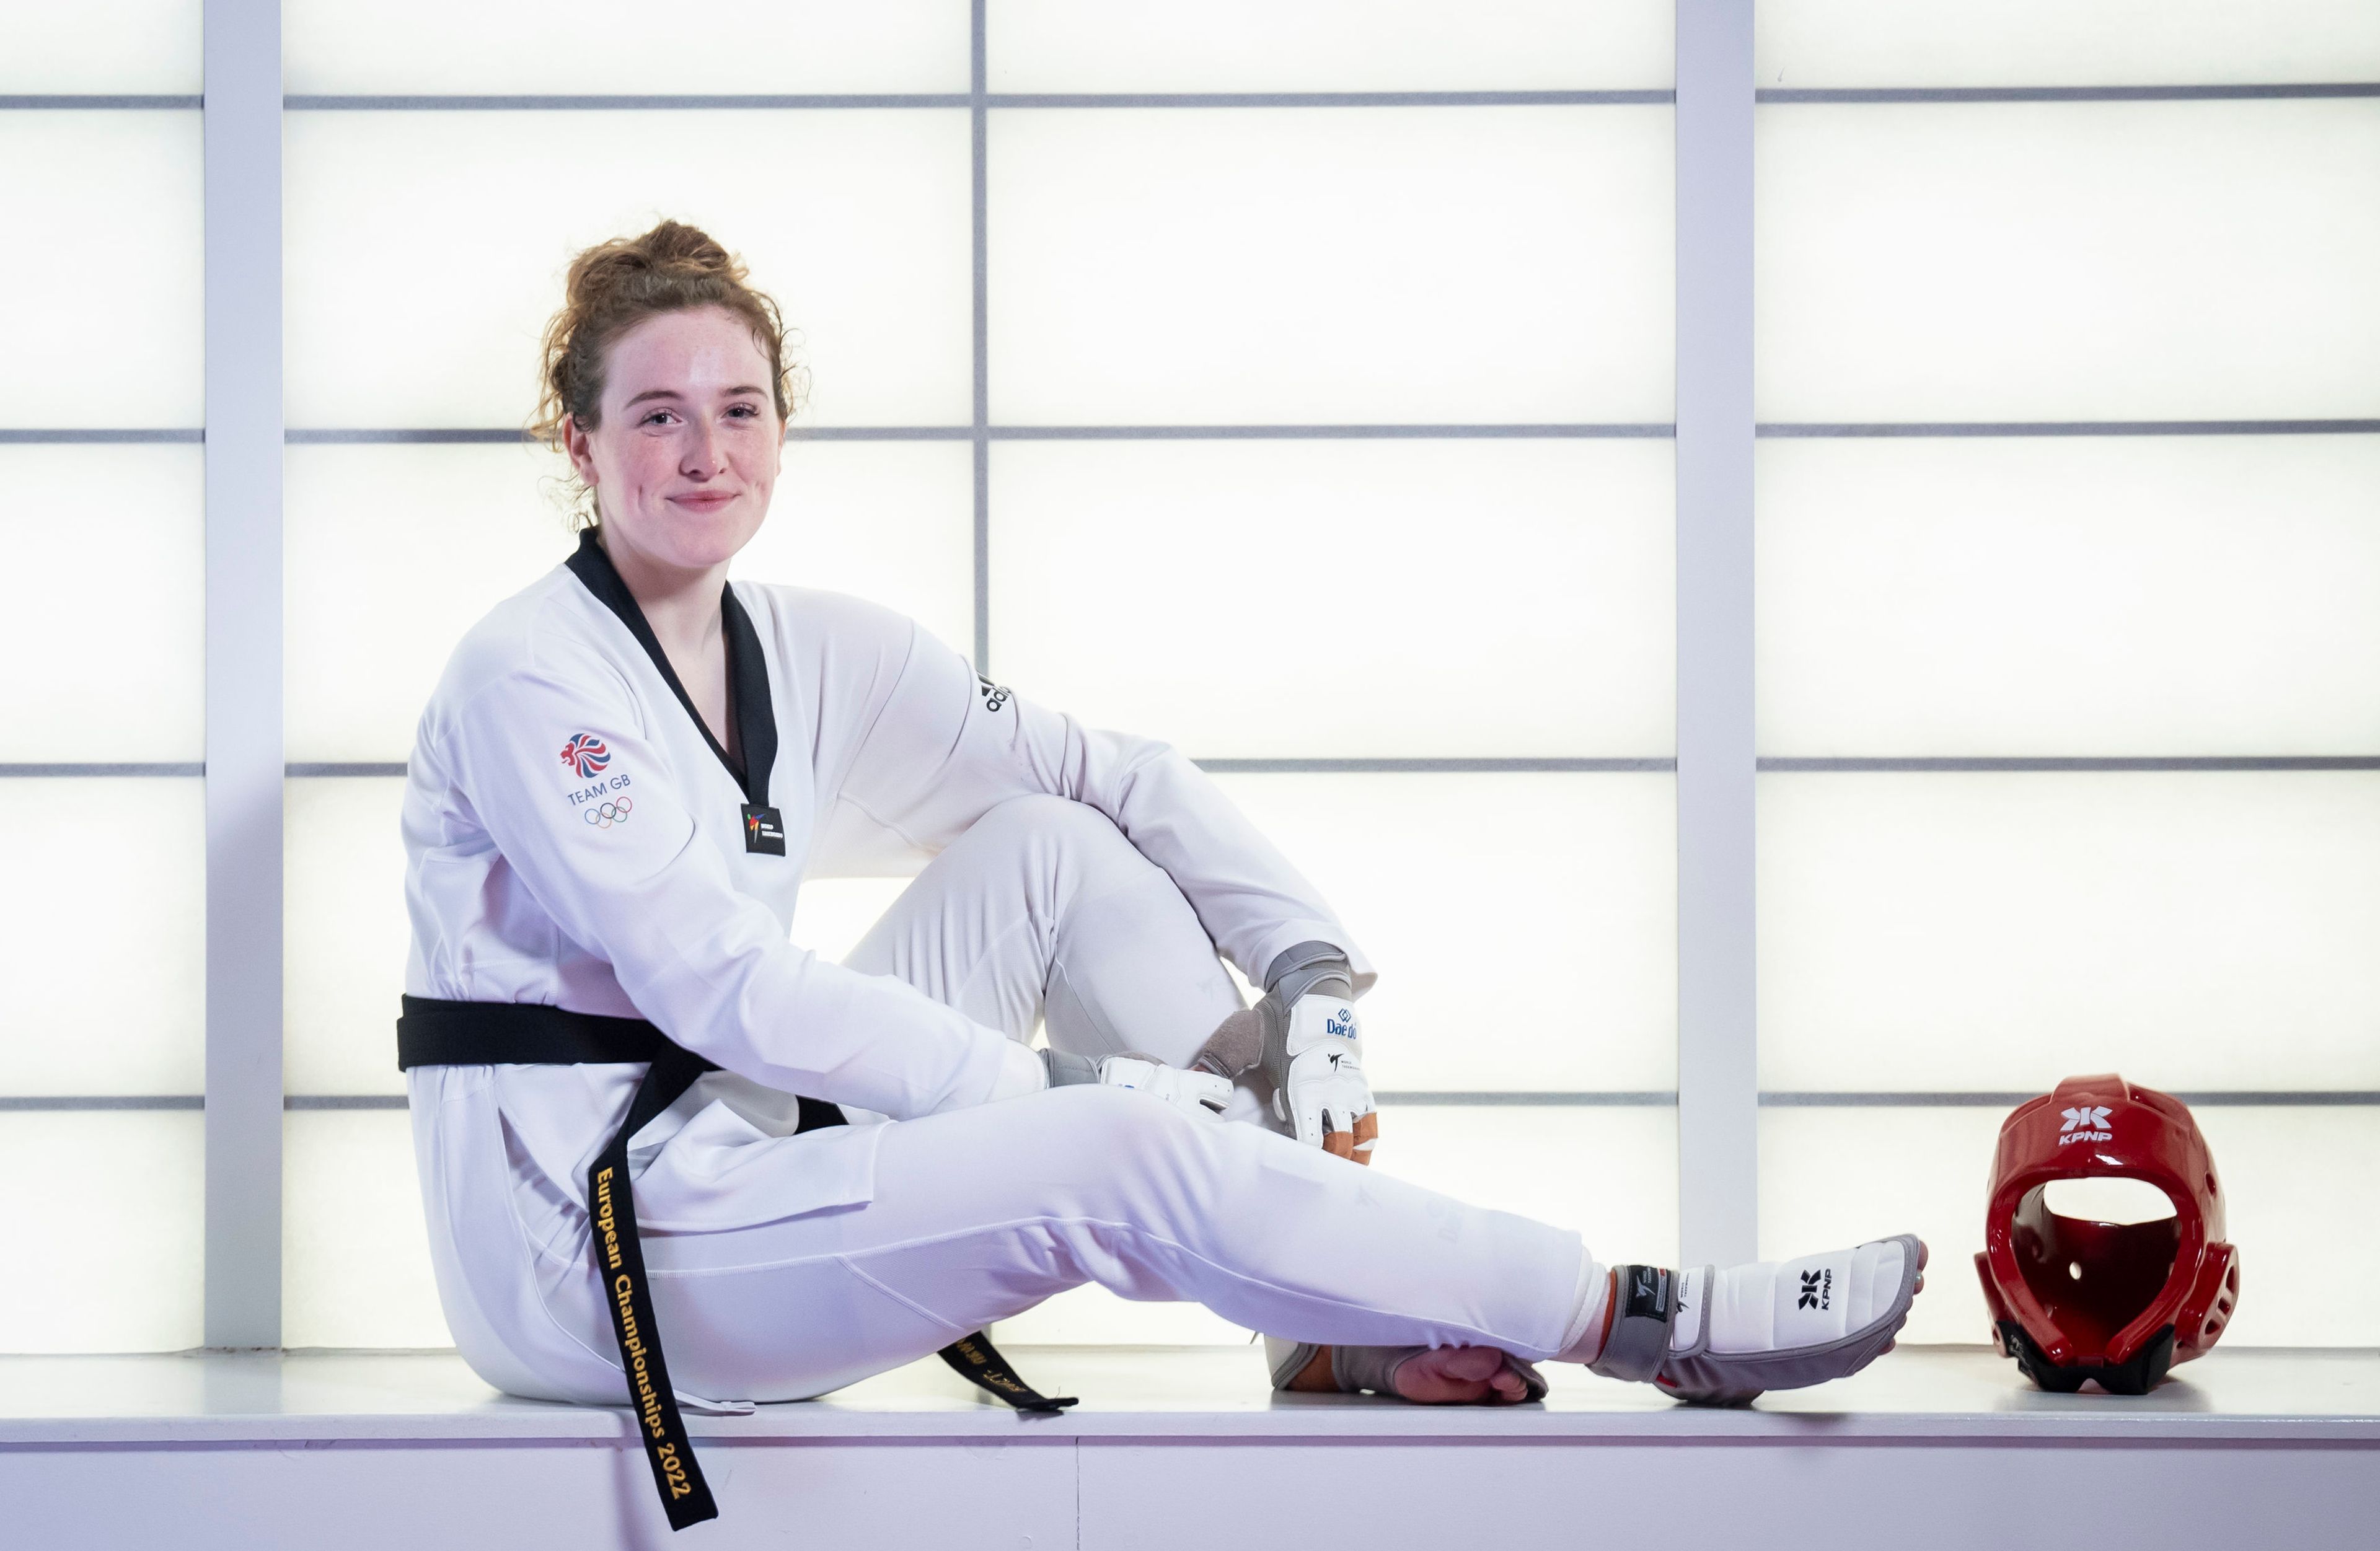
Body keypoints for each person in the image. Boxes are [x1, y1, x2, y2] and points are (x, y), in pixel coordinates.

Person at [399, 220, 1923, 1524]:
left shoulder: (806, 645)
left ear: (783, 427)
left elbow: (1106, 773)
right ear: (579, 444)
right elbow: (713, 982)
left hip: (732, 1147)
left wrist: (1307, 970)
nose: (706, 450)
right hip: (589, 1251)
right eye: (656, 414)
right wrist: (1060, 1091)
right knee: (1114, 1160)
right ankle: (1636, 1315)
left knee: (1053, 854)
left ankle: (1334, 1340)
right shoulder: (533, 676)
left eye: (739, 407)